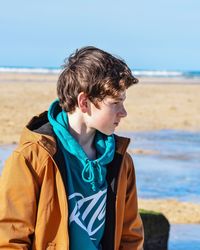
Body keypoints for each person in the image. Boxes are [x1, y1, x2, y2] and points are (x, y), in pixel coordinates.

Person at [0, 46, 144, 250]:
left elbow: (130, 236)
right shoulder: (32, 157)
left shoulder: (121, 161)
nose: (123, 112)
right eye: (116, 102)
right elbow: (10, 238)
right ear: (84, 102)